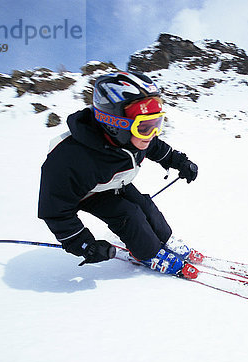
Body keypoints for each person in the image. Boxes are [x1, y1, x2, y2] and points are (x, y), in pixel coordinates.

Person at [38, 71, 198, 276]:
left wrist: (180, 162)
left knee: (145, 207)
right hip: (87, 193)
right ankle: (148, 252)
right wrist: (84, 245)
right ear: (114, 124)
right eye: (146, 127)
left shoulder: (134, 138)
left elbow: (156, 147)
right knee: (129, 215)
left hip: (113, 182)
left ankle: (165, 240)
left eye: (156, 124)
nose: (153, 134)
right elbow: (53, 210)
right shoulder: (70, 158)